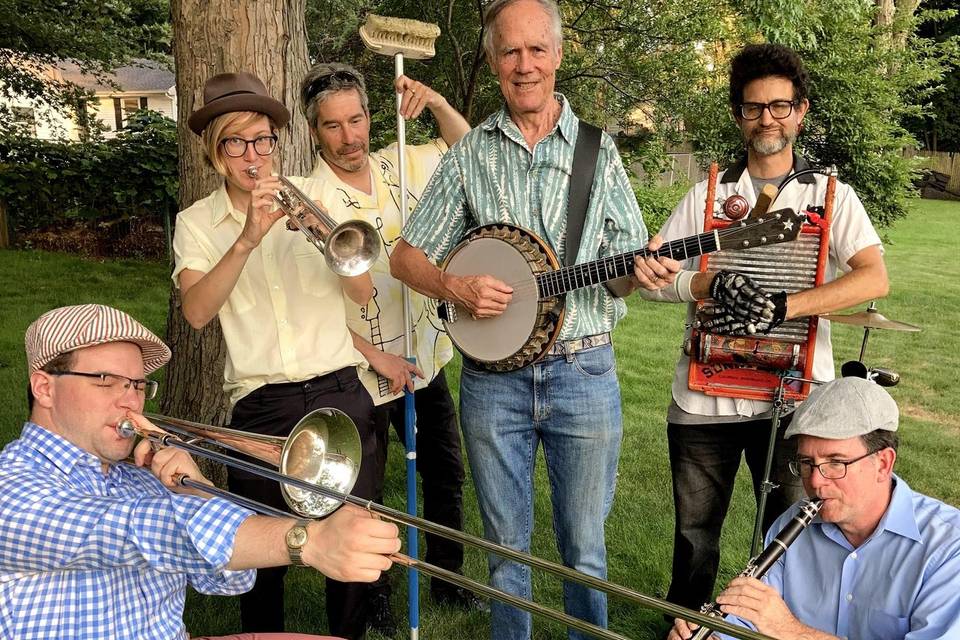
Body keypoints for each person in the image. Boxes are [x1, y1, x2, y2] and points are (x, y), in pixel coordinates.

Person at [389, 0, 683, 636]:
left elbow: (623, 270)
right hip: (492, 381)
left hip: (584, 371)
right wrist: (454, 286)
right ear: (495, 62)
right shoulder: (469, 155)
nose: (525, 65)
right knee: (505, 555)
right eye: (510, 52)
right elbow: (404, 257)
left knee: (585, 550)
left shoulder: (598, 152)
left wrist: (643, 270)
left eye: (537, 50)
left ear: (557, 56)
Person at [638, 43, 890, 612]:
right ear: (738, 116)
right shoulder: (708, 195)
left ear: (800, 112)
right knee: (693, 538)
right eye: (754, 108)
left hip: (792, 400)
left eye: (780, 106)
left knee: (793, 540)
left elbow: (873, 278)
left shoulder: (829, 196)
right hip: (704, 401)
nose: (767, 119)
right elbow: (654, 276)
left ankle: (781, 625)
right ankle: (689, 626)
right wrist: (696, 285)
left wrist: (785, 305)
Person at [0, 303, 401, 640]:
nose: (131, 401)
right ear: (44, 388)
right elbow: (139, 531)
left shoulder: (140, 478)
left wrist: (201, 491)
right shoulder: (12, 486)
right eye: (106, 381)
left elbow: (228, 581)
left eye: (138, 385)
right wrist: (305, 541)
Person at [172, 72, 379, 638]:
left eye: (263, 140)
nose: (253, 155)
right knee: (264, 552)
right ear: (217, 152)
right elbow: (195, 312)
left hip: (339, 388)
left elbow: (363, 294)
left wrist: (319, 230)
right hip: (262, 404)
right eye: (237, 143)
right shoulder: (195, 222)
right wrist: (246, 238)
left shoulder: (313, 196)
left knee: (354, 539)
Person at [298, 62, 482, 632]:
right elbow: (313, 303)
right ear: (314, 131)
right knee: (365, 489)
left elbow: (472, 149)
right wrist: (372, 355)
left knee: (445, 473)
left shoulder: (399, 160)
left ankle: (448, 581)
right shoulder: (305, 198)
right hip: (357, 367)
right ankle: (370, 593)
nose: (350, 137)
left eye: (357, 119)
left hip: (425, 354)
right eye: (333, 126)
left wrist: (436, 103)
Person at [669, 377, 960, 640]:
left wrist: (790, 631)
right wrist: (716, 635)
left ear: (883, 463)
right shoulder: (790, 526)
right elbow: (749, 621)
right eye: (807, 463)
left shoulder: (948, 549)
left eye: (836, 463)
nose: (816, 482)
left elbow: (778, 626)